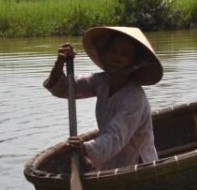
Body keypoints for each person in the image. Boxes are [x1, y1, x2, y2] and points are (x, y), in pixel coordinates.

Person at [43, 26, 163, 171]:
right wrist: (60, 63)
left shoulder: (134, 98)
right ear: (105, 54)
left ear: (133, 62)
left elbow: (116, 136)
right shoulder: (101, 82)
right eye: (113, 51)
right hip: (108, 160)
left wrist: (85, 148)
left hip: (139, 166)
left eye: (124, 54)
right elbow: (64, 88)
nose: (116, 57)